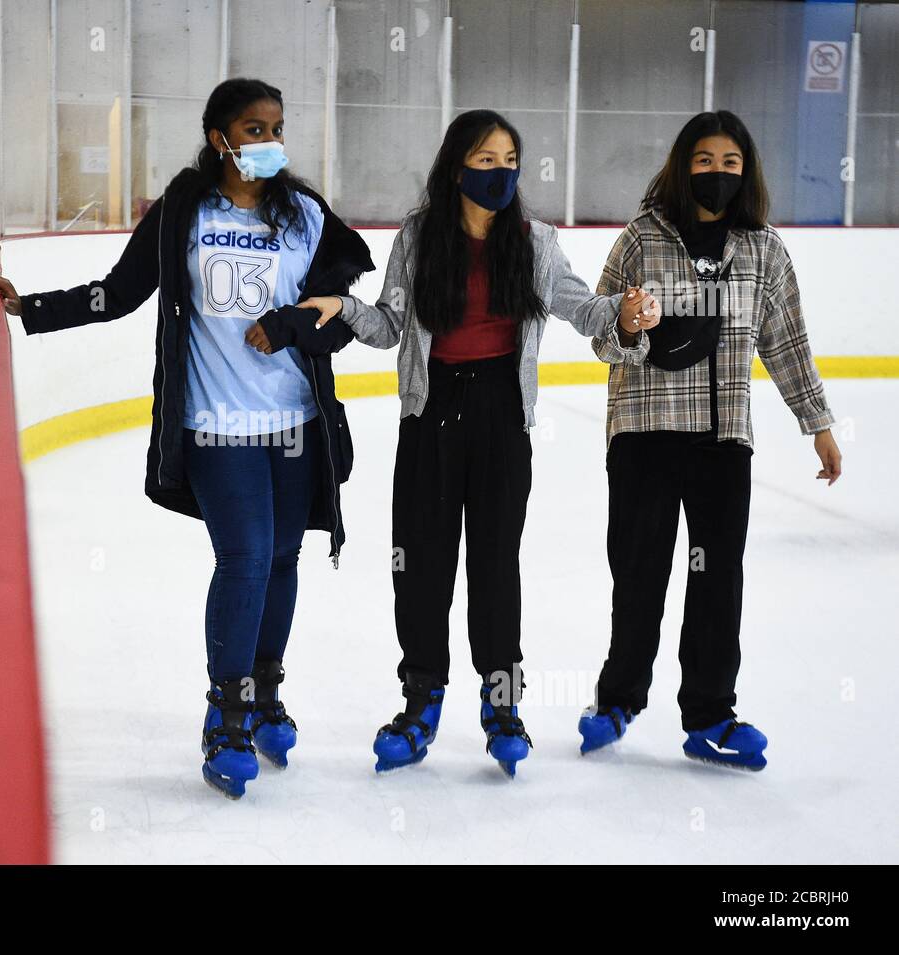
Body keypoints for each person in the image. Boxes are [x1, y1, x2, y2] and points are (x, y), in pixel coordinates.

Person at [0, 78, 373, 799]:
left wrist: (295, 323)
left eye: (277, 127)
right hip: (215, 426)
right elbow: (120, 291)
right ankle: (225, 712)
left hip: (295, 422)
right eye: (254, 129)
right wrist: (31, 306)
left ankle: (263, 690)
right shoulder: (181, 214)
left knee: (284, 556)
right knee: (247, 557)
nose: (269, 142)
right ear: (219, 136)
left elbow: (343, 311)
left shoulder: (306, 215)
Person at [302, 109, 659, 777]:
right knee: (421, 570)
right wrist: (340, 307)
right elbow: (388, 326)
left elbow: (586, 310)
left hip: (501, 417)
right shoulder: (418, 238)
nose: (499, 171)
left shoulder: (535, 242)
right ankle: (421, 702)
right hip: (430, 415)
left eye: (508, 159)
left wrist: (625, 314)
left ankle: (502, 707)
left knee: (496, 569)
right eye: (485, 158)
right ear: (456, 165)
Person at [578, 110, 842, 771]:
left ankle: (710, 714)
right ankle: (618, 699)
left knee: (717, 580)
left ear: (745, 171)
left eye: (730, 163)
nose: (717, 173)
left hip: (725, 442)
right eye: (705, 161)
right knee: (640, 574)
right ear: (681, 165)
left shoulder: (763, 250)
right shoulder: (642, 239)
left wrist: (818, 422)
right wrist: (630, 324)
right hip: (644, 434)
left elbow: (786, 342)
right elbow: (601, 334)